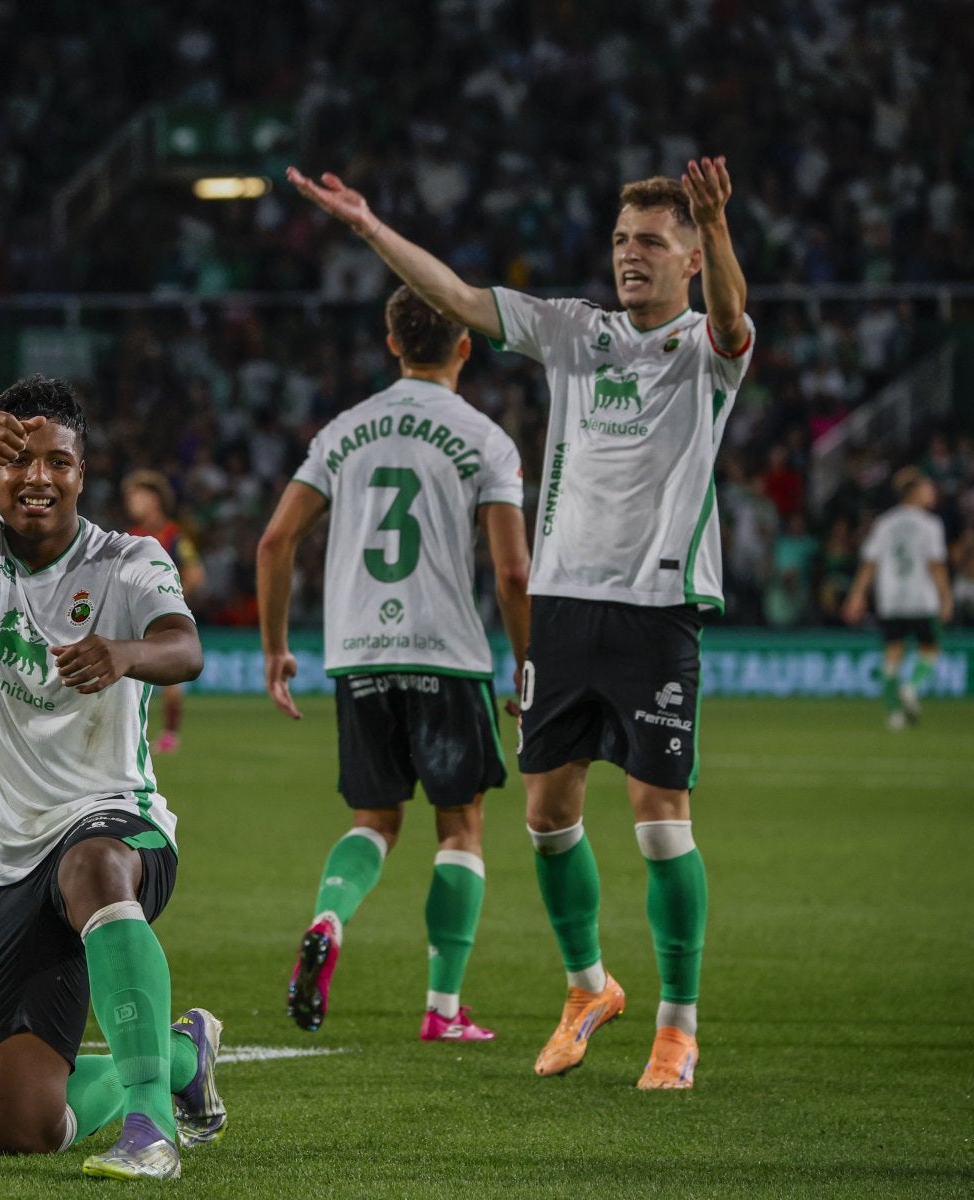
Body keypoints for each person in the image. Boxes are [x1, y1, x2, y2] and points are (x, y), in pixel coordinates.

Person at [290, 156, 754, 1089]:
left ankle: (677, 1026)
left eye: (651, 242)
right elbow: (458, 298)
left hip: (658, 610)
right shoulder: (577, 331)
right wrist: (369, 227)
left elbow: (736, 321)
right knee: (546, 819)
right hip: (564, 606)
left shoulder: (707, 349)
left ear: (691, 259)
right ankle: (587, 987)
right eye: (621, 240)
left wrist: (720, 225)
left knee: (660, 826)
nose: (630, 255)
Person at [0, 374, 223, 1180]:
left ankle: (151, 1128)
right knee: (12, 1129)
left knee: (90, 864)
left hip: (116, 822)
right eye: (19, 460)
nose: (38, 478)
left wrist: (126, 652)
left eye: (57, 461)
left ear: (81, 473)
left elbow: (185, 646)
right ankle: (182, 1057)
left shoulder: (127, 560)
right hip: (4, 860)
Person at [257, 285, 532, 1044]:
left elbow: (275, 541)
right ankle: (442, 1009)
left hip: (358, 653)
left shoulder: (343, 432)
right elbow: (513, 573)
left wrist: (276, 648)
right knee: (461, 827)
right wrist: (528, 664)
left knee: (374, 821)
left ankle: (328, 916)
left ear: (391, 343)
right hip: (447, 651)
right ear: (466, 344)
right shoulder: (486, 439)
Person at [842, 467, 952, 729]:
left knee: (892, 654)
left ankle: (894, 715)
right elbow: (936, 565)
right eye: (927, 489)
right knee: (930, 648)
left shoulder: (885, 523)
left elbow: (869, 563)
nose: (932, 493)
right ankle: (911, 687)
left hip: (890, 599)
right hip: (922, 598)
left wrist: (856, 594)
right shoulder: (930, 524)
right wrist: (946, 597)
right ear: (913, 492)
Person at [123, 469, 208, 754]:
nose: (131, 502)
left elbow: (195, 574)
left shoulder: (174, 536)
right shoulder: (130, 537)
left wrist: (168, 600)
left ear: (154, 500)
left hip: (162, 618)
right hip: (132, 617)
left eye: (136, 496)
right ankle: (129, 734)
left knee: (170, 679)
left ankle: (170, 734)